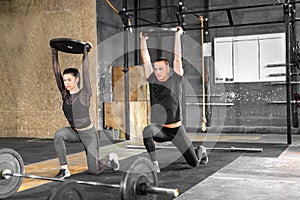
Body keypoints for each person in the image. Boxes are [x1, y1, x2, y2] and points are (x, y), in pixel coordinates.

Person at [140, 27, 208, 173]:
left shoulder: (176, 79)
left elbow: (177, 58)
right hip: (160, 130)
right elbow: (145, 58)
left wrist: (178, 35)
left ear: (168, 69)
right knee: (147, 131)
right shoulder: (152, 80)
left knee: (194, 163)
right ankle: (155, 164)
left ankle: (200, 150)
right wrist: (143, 40)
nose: (157, 72)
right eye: (156, 69)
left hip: (176, 130)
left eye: (161, 69)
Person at [51, 42, 119, 179]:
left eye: (69, 80)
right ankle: (64, 169)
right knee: (58, 135)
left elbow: (86, 72)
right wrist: (54, 52)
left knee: (94, 170)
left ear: (76, 80)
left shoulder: (84, 94)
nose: (66, 83)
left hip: (89, 135)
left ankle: (111, 157)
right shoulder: (65, 94)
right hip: (74, 132)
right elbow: (56, 71)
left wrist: (85, 52)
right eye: (65, 81)